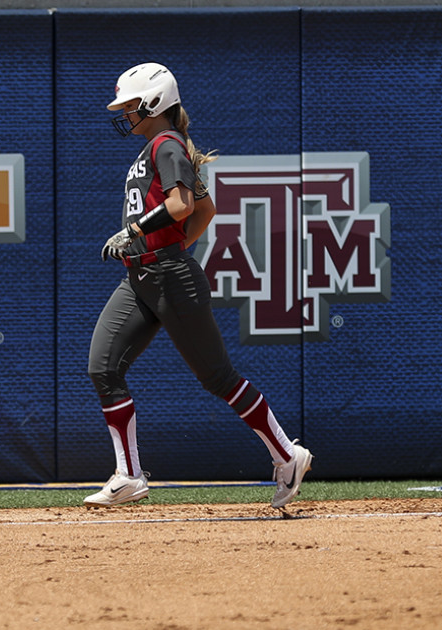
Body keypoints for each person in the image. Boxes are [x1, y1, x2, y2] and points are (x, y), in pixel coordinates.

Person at [84, 62, 313, 509]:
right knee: (103, 367)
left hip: (167, 275)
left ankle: (287, 455)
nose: (126, 113)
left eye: (131, 105)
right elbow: (204, 213)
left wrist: (146, 239)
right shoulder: (160, 145)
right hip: (143, 276)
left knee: (218, 377)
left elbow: (183, 204)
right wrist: (162, 246)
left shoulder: (166, 143)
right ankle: (128, 474)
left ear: (153, 103)